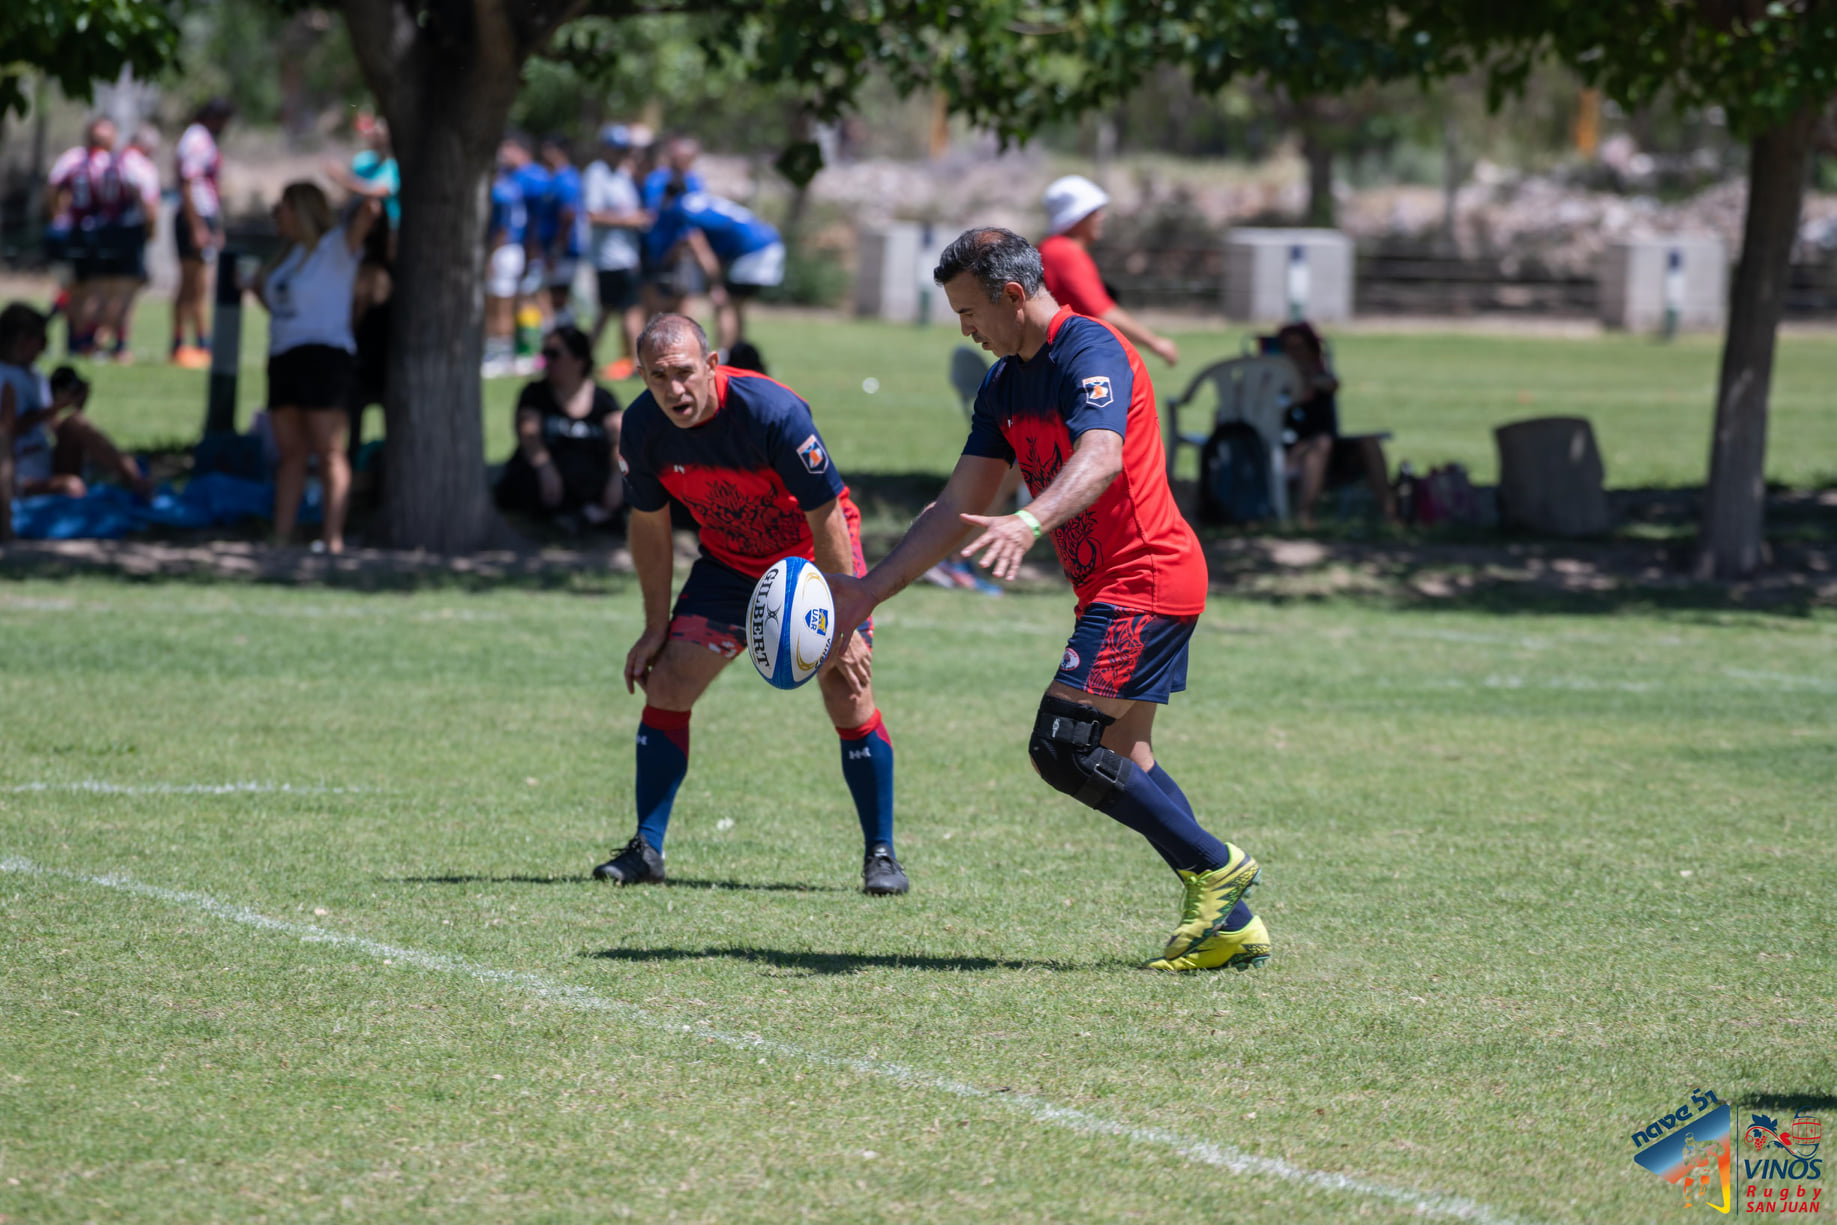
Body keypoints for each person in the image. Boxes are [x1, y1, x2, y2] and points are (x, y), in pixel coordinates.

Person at [828, 228, 1269, 973]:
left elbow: (1100, 457)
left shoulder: (1088, 349)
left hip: (1148, 579)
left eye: (969, 312)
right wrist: (865, 591)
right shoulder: (1002, 385)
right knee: (1123, 752)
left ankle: (1216, 863)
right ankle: (1230, 921)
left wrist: (1029, 519)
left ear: (1011, 295)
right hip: (1112, 588)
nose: (965, 330)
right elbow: (953, 507)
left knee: (1062, 744)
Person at [597, 313, 907, 896]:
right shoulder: (641, 428)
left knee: (848, 690)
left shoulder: (772, 413)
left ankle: (881, 854)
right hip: (729, 565)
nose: (674, 389)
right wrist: (653, 626)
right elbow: (651, 527)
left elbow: (828, 516)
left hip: (811, 564)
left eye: (685, 373)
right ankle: (647, 848)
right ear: (641, 376)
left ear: (712, 366)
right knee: (668, 682)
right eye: (658, 377)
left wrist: (843, 625)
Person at [251, 183, 381, 553]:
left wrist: (354, 182)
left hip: (325, 357)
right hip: (284, 356)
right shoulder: (285, 257)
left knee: (329, 451)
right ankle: (281, 535)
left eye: (282, 207)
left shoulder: (335, 247)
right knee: (290, 453)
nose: (276, 214)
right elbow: (283, 310)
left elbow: (370, 210)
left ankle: (332, 537)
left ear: (301, 209)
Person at [0, 303, 151, 502]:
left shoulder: (34, 375)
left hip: (43, 462)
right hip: (17, 474)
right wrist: (54, 408)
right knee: (72, 488)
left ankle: (136, 480)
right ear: (21, 340)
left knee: (75, 422)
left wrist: (74, 406)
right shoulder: (5, 377)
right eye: (41, 339)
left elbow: (52, 426)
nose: (44, 347)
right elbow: (6, 432)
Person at [1038, 175, 1180, 367]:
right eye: (1094, 211)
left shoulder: (1053, 249)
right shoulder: (1064, 252)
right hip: (1067, 358)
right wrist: (1154, 343)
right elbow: (1103, 312)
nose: (1101, 216)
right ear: (1077, 216)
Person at [494, 325, 624, 527]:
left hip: (592, 478)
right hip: (549, 478)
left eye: (554, 354)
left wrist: (617, 476)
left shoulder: (603, 400)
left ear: (579, 360)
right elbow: (529, 437)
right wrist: (545, 467)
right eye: (545, 353)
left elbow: (620, 440)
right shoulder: (535, 394)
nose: (547, 361)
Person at [1275, 321, 1397, 527]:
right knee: (1321, 444)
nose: (1293, 355)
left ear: (1313, 352)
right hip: (1291, 451)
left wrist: (1308, 380)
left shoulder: (1322, 379)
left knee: (1368, 442)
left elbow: (1332, 384)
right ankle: (1304, 516)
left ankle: (1390, 514)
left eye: (1299, 348)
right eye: (1287, 349)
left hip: (1330, 449)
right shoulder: (1274, 383)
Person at [653, 185, 784, 355]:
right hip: (769, 242)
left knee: (725, 304)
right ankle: (737, 355)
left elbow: (701, 250)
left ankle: (724, 355)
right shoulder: (701, 201)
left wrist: (716, 284)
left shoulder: (681, 209)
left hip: (752, 250)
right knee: (736, 305)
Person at [43, 117, 125, 358]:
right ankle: (81, 340)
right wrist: (58, 216)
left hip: (77, 233)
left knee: (74, 289)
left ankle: (74, 339)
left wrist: (57, 217)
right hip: (89, 235)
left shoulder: (73, 158)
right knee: (87, 289)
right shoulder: (109, 162)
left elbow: (52, 186)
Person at [581, 124, 649, 381]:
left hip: (625, 256)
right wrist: (631, 221)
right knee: (629, 309)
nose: (621, 154)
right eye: (617, 149)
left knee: (609, 310)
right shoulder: (596, 174)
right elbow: (593, 214)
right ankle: (635, 363)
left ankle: (584, 358)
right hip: (610, 258)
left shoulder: (622, 174)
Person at [171, 98, 231, 369]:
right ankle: (183, 342)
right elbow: (187, 183)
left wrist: (215, 226)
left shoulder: (202, 138)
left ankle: (199, 342)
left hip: (203, 216)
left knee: (199, 282)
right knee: (192, 281)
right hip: (193, 216)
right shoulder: (196, 138)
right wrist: (197, 226)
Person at [106, 126, 164, 364]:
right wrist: (151, 233)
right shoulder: (141, 166)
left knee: (104, 287)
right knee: (127, 291)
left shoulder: (112, 161)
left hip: (104, 230)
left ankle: (91, 341)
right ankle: (120, 346)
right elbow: (149, 206)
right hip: (130, 234)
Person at [482, 140, 531, 378]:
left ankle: (499, 355)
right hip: (512, 249)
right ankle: (504, 353)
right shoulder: (513, 186)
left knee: (498, 305)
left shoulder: (500, 191)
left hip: (503, 249)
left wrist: (489, 256)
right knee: (503, 304)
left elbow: (501, 229)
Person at [535, 134, 585, 328]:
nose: (544, 153)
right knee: (552, 296)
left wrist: (557, 247)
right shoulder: (554, 178)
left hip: (564, 249)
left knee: (558, 297)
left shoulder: (568, 179)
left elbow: (568, 215)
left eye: (548, 148)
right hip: (553, 248)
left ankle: (566, 336)